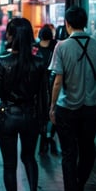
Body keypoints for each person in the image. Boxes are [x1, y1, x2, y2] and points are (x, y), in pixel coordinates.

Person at [49, 5, 96, 191]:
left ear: (68, 23)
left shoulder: (61, 47)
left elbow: (57, 81)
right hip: (91, 109)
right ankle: (79, 189)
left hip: (67, 109)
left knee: (69, 154)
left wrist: (52, 107)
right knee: (88, 151)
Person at [0, 17, 47, 191]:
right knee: (29, 157)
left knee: (9, 165)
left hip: (8, 116)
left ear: (12, 36)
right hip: (30, 115)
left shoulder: (3, 62)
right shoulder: (39, 62)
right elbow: (43, 95)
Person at [35, 25, 58, 155]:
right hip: (53, 84)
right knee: (52, 112)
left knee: (41, 113)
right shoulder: (56, 46)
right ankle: (49, 137)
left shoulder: (35, 48)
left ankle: (44, 140)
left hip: (38, 87)